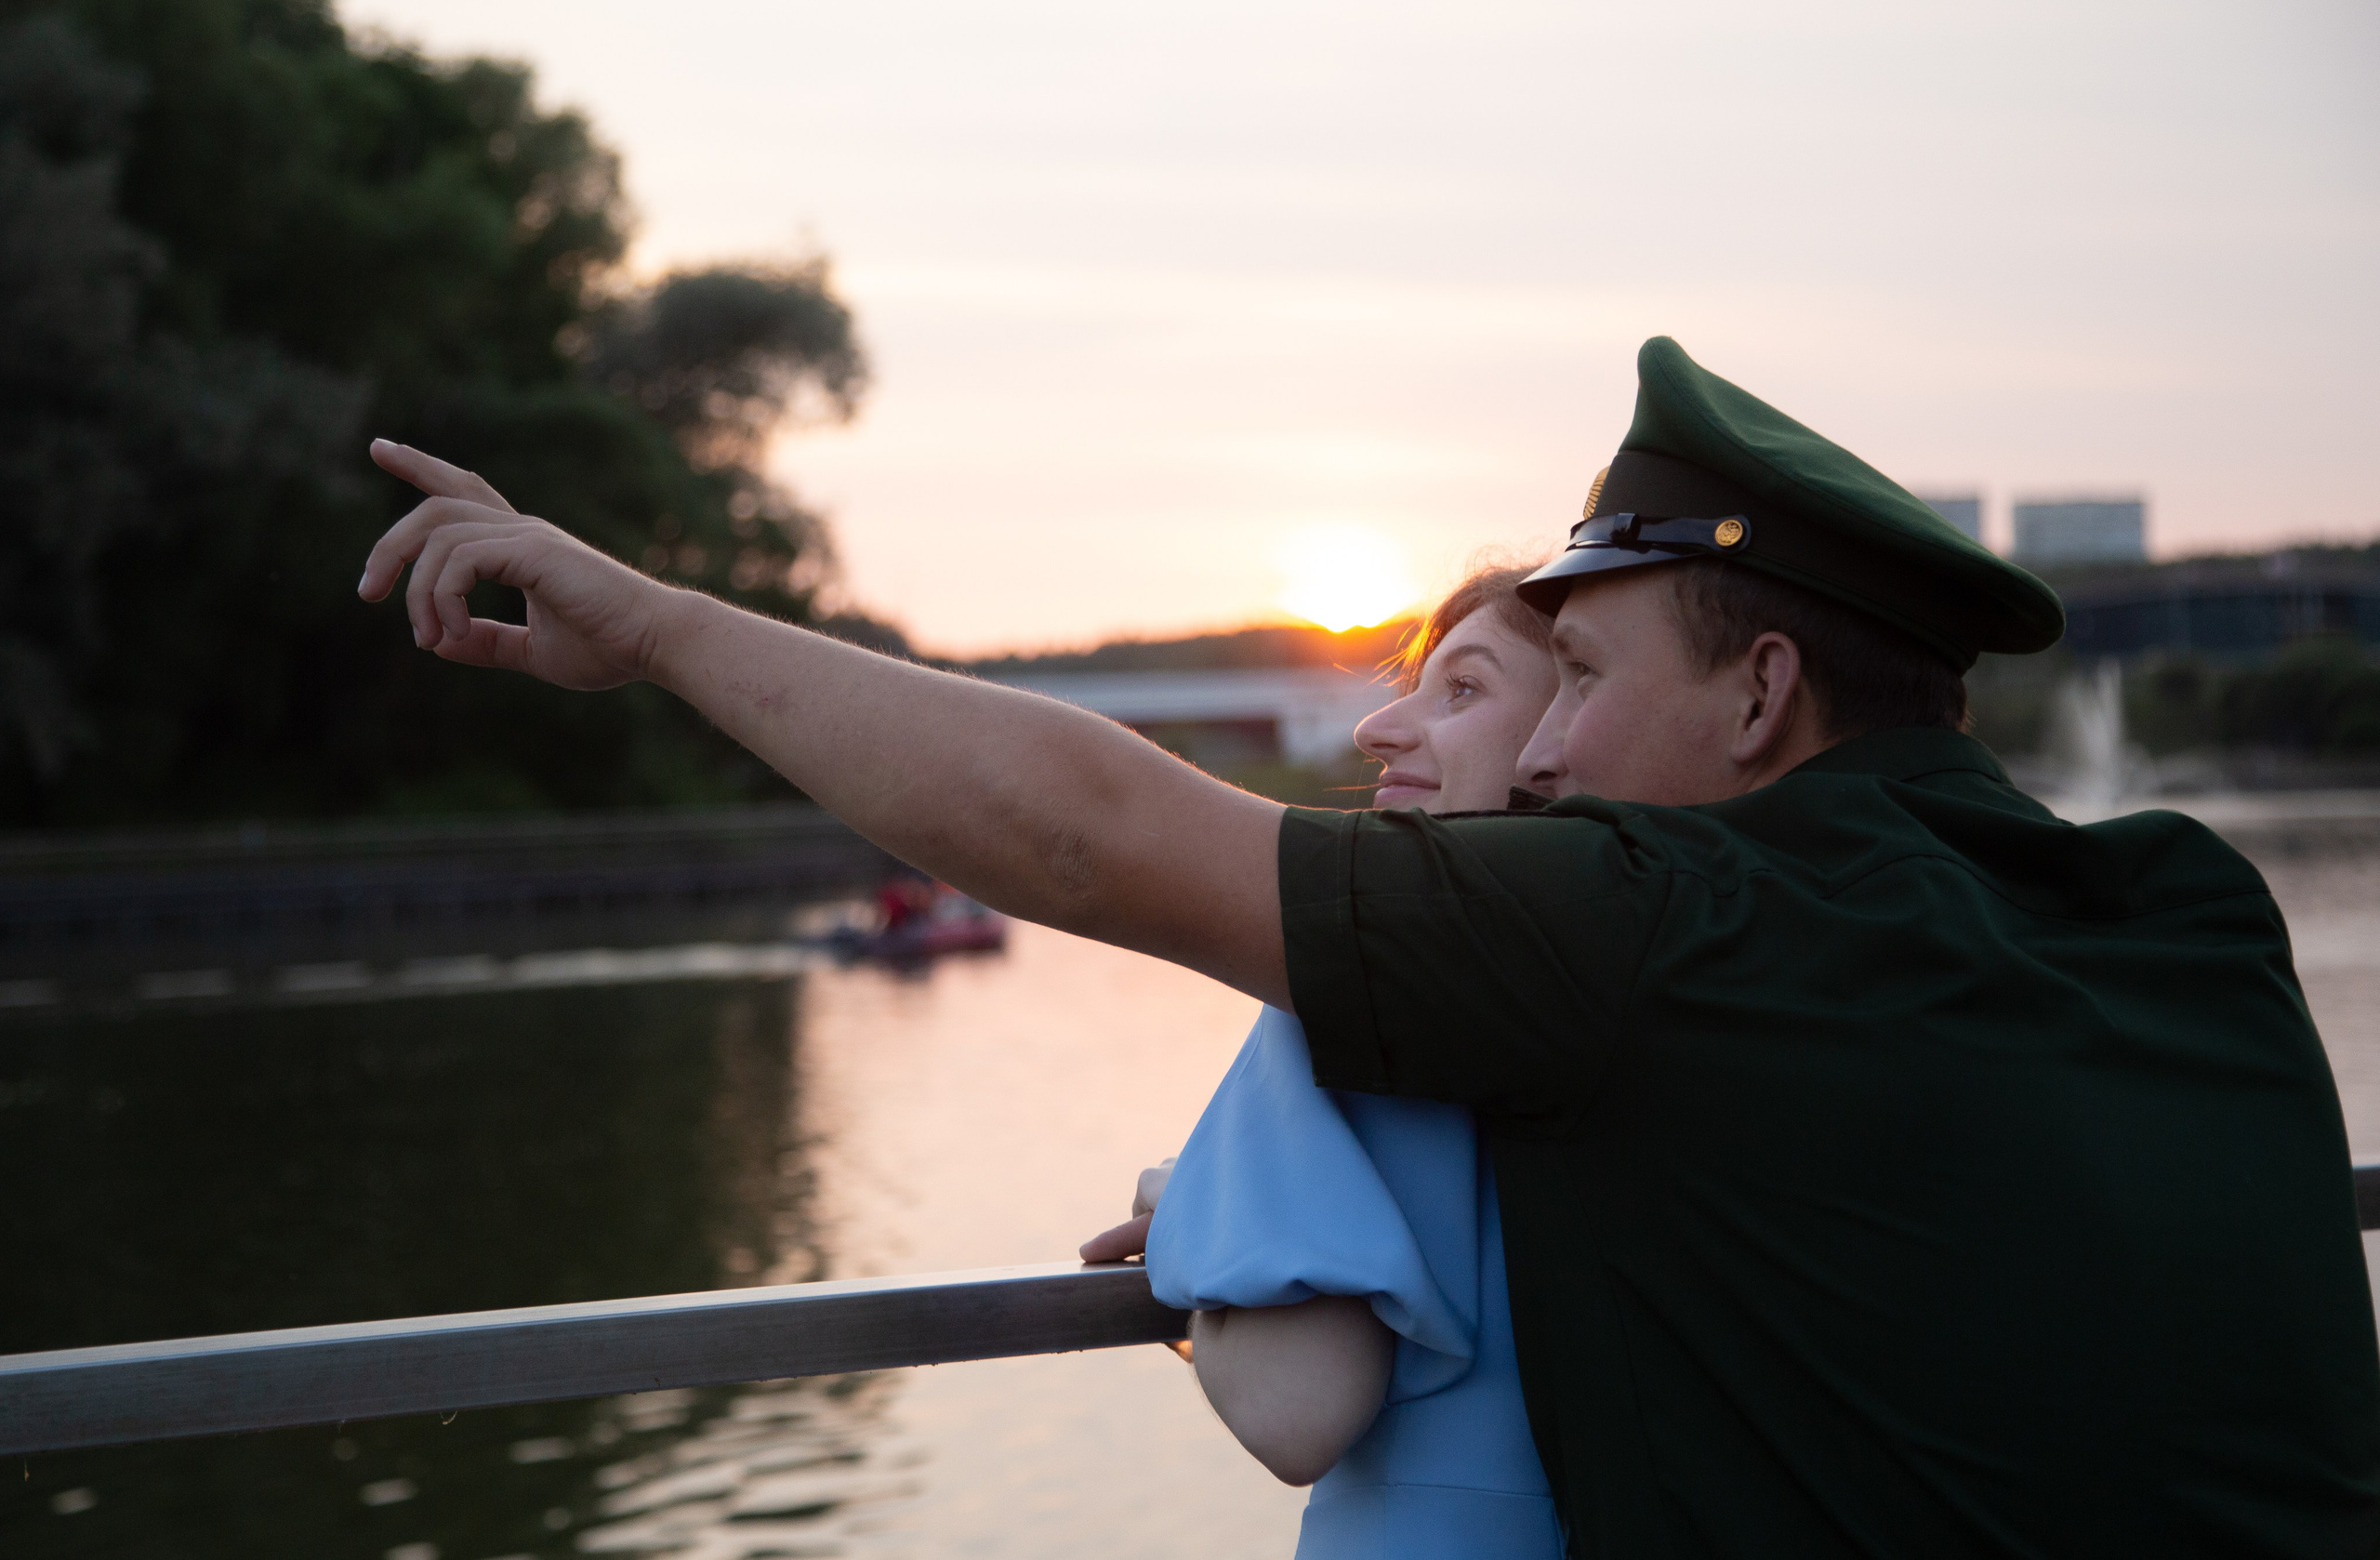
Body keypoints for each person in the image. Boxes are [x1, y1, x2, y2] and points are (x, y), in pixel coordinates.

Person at [357, 335, 2380, 1556]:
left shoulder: (1656, 914)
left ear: (1760, 695)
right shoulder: (2184, 907)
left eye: (1571, 673)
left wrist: (646, 621)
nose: (1551, 745)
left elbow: (1088, 824)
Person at [1078, 564, 1567, 1556]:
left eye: (1462, 689)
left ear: (1578, 728)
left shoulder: (1357, 989)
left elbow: (1294, 1411)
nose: (1373, 731)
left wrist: (1198, 1213)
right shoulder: (1711, 975)